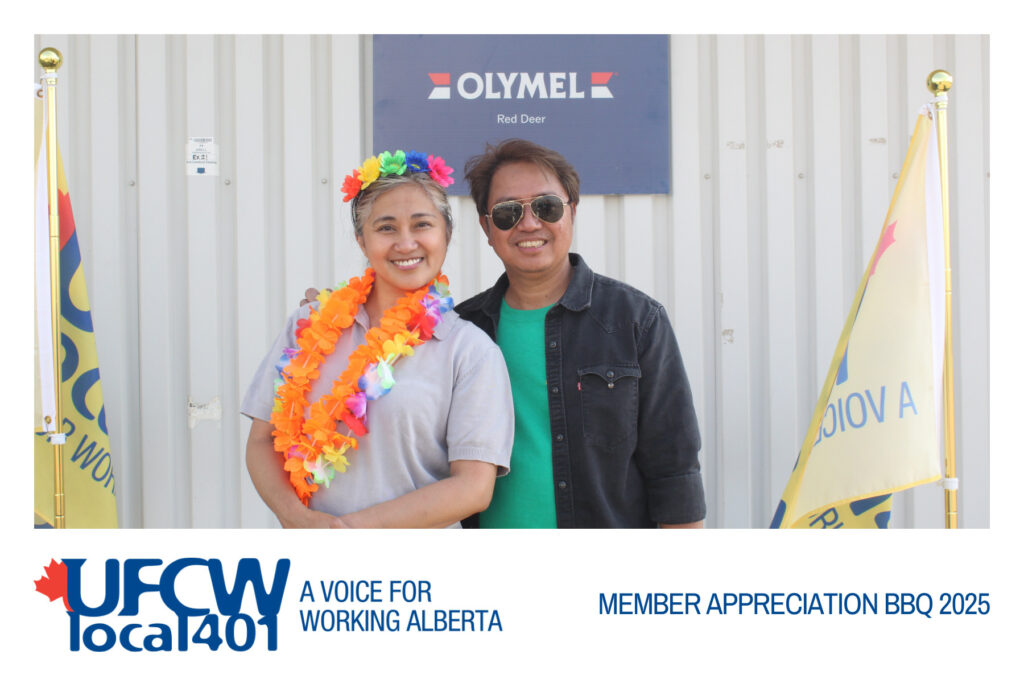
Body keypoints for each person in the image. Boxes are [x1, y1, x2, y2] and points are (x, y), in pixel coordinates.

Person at [242, 150, 513, 528]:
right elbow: (262, 441)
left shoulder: (470, 351)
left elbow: (473, 488)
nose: (406, 243)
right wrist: (297, 520)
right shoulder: (308, 325)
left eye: (422, 225)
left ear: (446, 234)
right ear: (361, 239)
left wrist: (347, 532)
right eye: (386, 228)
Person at [456, 139, 706, 528]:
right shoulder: (462, 330)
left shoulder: (636, 320)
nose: (529, 224)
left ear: (572, 211)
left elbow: (675, 470)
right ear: (487, 227)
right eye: (507, 212)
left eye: (546, 207)